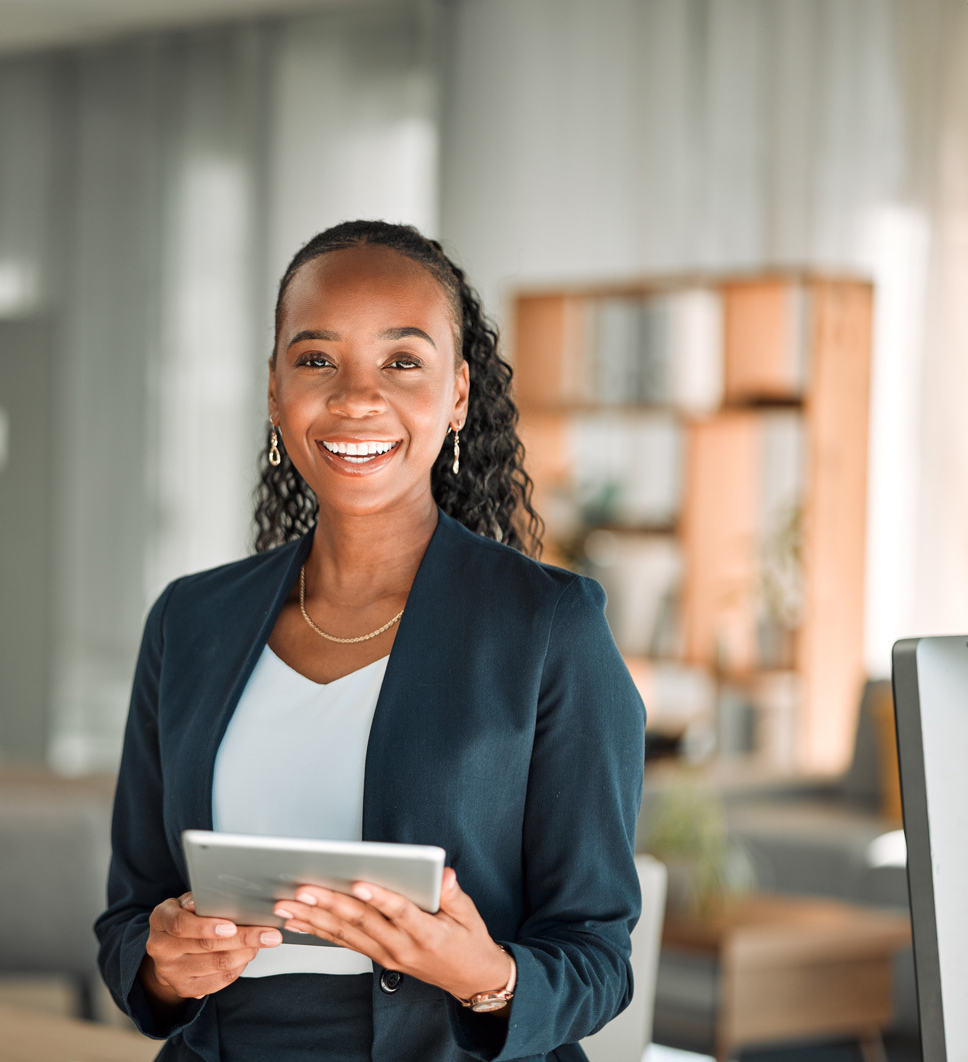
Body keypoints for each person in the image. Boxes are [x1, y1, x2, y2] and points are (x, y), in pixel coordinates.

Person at [94, 220, 645, 1062]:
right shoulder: (189, 622)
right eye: (316, 360)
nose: (356, 398)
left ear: (457, 395)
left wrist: (485, 974)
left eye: (402, 361)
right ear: (275, 392)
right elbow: (131, 915)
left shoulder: (548, 626)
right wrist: (165, 966)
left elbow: (597, 955)